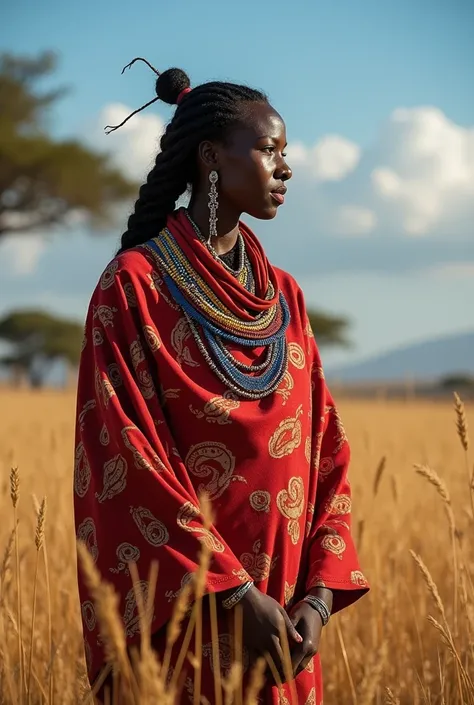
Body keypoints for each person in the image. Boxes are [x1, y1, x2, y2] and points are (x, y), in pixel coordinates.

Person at [74, 60, 369, 705]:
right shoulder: (133, 287)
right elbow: (126, 459)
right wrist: (234, 595)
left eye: (287, 152)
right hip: (189, 621)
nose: (286, 168)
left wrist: (315, 601)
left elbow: (328, 454)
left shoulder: (285, 297)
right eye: (269, 150)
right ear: (211, 158)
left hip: (287, 628)